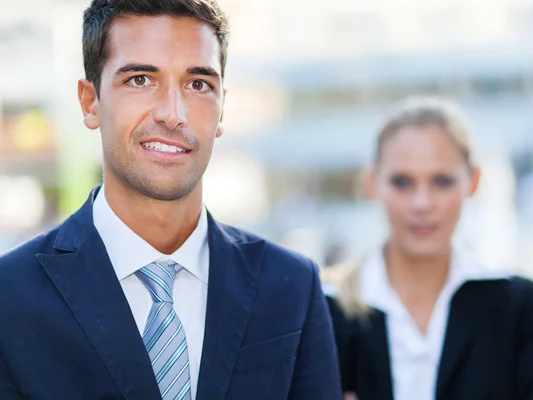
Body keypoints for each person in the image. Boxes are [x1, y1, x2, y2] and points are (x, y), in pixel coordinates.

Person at [0, 1, 341, 399]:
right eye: (141, 80)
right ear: (90, 102)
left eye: (198, 84)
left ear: (222, 107)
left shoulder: (292, 288)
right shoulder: (11, 297)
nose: (173, 114)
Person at [323, 97, 533, 400]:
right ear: (372, 183)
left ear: (473, 181)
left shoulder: (516, 306)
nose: (422, 204)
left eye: (442, 181)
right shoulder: (324, 310)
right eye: (402, 182)